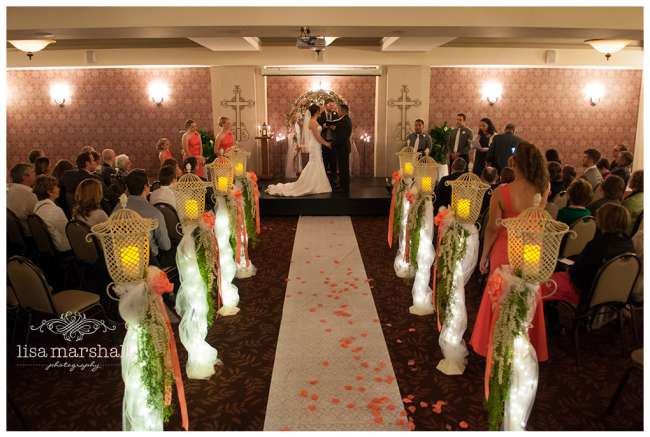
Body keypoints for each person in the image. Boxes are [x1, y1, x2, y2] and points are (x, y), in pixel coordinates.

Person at [470, 142, 550, 362]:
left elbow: (493, 228)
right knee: (526, 293)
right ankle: (521, 343)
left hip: (505, 249)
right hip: (531, 250)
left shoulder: (501, 192)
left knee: (500, 297)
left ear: (516, 164)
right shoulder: (544, 188)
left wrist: (484, 256)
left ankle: (496, 346)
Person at [542, 203, 634, 306]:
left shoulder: (598, 245)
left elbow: (578, 277)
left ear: (603, 221)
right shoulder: (628, 244)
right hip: (613, 295)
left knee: (542, 284)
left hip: (584, 293)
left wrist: (569, 269)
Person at [266, 104, 333, 197]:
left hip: (317, 146)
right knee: (315, 162)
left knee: (316, 162)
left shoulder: (314, 121)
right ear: (316, 112)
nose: (320, 111)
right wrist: (326, 143)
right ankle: (313, 184)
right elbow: (317, 137)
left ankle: (316, 183)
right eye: (319, 110)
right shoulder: (312, 122)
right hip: (315, 145)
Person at [115, 169, 171, 265]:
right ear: (146, 187)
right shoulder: (154, 213)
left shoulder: (117, 209)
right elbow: (165, 246)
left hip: (121, 261)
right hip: (148, 262)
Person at [32, 175, 71, 252]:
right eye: (56, 187)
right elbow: (67, 233)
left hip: (47, 249)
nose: (59, 189)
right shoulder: (55, 210)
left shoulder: (36, 208)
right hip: (63, 248)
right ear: (49, 192)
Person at [60, 151, 104, 218]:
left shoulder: (67, 175)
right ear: (87, 163)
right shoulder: (94, 179)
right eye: (93, 160)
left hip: (67, 215)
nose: (95, 162)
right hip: (89, 215)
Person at [7, 163, 37, 235]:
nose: (35, 175)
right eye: (33, 172)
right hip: (28, 236)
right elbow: (40, 218)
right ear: (25, 177)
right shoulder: (30, 194)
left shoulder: (8, 189)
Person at [318, 98, 339, 184]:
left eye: (333, 105)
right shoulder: (320, 115)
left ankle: (334, 180)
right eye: (330, 105)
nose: (332, 107)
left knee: (333, 161)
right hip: (324, 141)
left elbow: (338, 127)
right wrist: (323, 127)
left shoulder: (336, 115)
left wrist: (335, 128)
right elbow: (316, 129)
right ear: (325, 105)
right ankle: (324, 180)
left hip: (333, 141)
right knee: (325, 161)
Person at [333, 104, 353, 192]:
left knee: (343, 168)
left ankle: (344, 187)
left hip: (343, 147)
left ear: (344, 111)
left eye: (339, 110)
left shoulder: (345, 121)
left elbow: (342, 136)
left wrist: (333, 144)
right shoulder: (345, 120)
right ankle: (342, 184)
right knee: (342, 167)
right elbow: (341, 131)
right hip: (343, 147)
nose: (338, 111)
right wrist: (335, 128)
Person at [622, 170, 643, 236]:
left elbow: (618, 221)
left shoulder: (630, 202)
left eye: (632, 177)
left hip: (625, 234)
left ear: (635, 181)